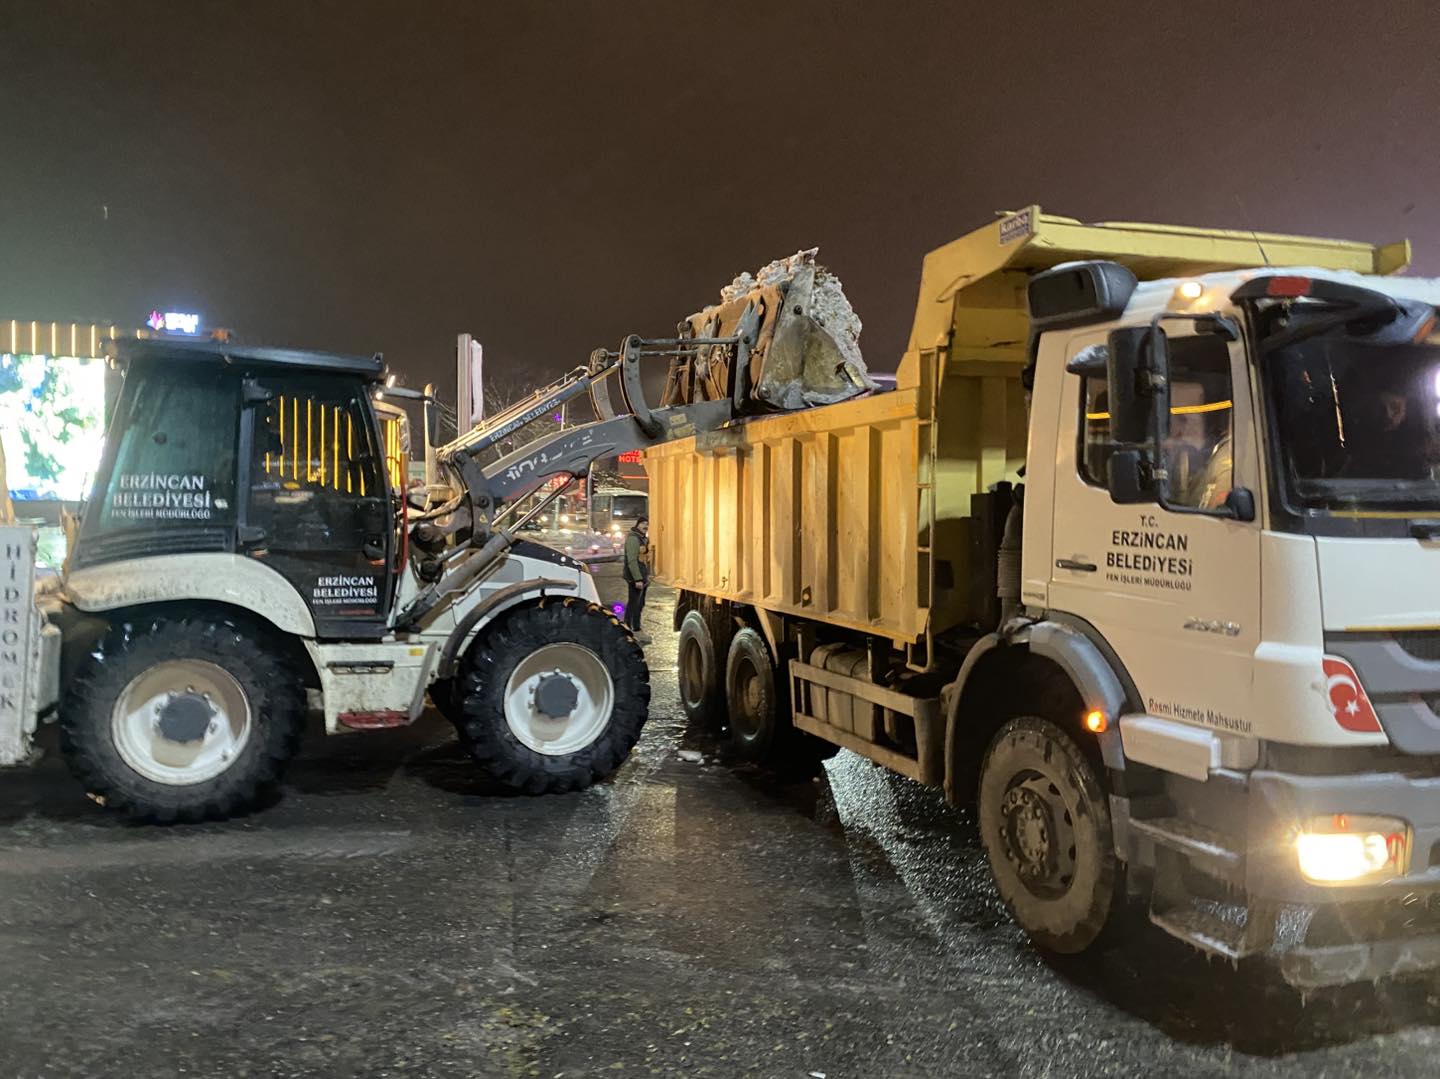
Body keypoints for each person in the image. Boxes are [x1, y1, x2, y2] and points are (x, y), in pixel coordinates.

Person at [622, 516, 652, 644]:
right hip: (635, 577)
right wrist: (638, 579)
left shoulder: (643, 538)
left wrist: (647, 576)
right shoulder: (633, 539)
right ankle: (632, 630)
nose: (645, 526)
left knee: (638, 603)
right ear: (638, 524)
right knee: (634, 604)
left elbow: (644, 559)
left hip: (642, 577)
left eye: (647, 524)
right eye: (643, 523)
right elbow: (632, 561)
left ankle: (631, 629)